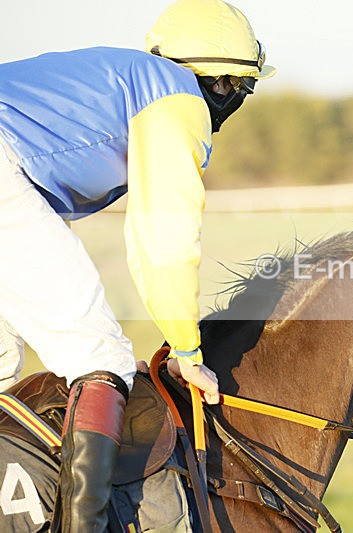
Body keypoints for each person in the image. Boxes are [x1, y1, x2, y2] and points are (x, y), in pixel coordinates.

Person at [0, 0, 275, 530]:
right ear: (222, 85)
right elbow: (162, 238)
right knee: (99, 355)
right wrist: (188, 351)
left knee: (3, 363)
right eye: (242, 88)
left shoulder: (124, 79)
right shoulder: (177, 97)